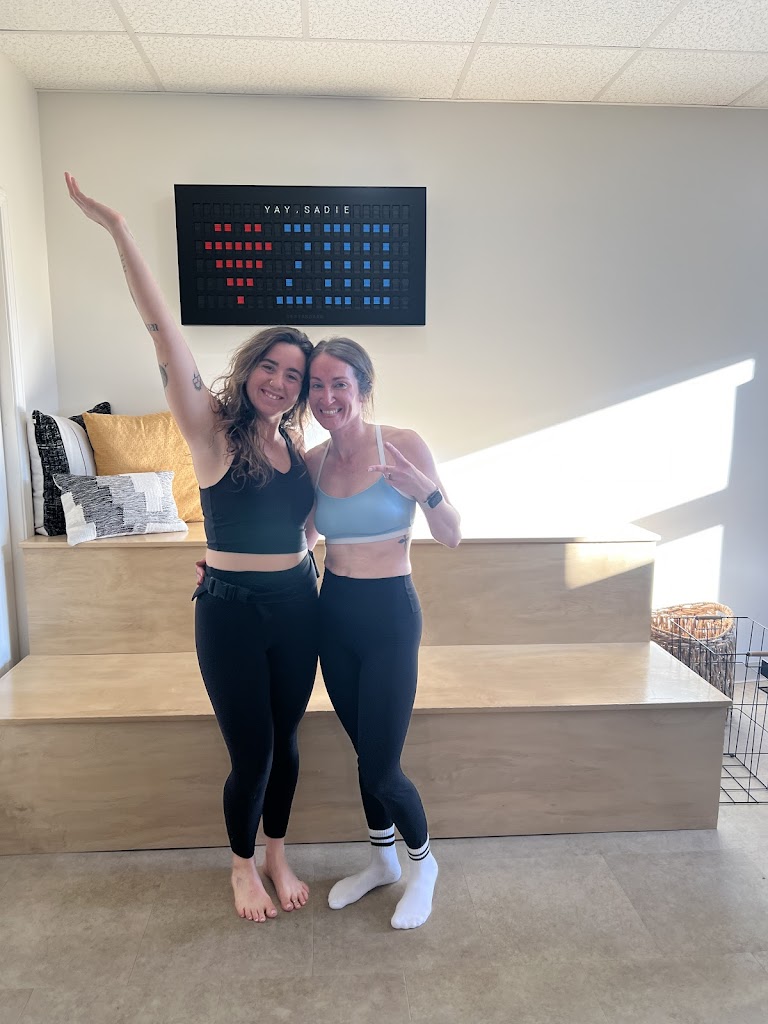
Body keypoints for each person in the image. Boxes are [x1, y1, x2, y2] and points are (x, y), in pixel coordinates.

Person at [65, 173, 319, 924]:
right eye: (270, 366)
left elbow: (309, 526)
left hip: (298, 603)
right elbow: (162, 333)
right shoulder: (212, 429)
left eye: (294, 375)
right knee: (253, 752)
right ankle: (241, 867)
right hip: (232, 611)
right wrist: (119, 229)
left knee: (288, 742)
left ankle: (277, 852)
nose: (279, 381)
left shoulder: (296, 450)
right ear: (250, 368)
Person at [304, 338, 461, 930]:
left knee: (381, 766)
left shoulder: (401, 445)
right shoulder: (313, 462)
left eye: (339, 384)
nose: (327, 397)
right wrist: (228, 561)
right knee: (364, 753)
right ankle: (382, 861)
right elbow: (302, 539)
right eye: (316, 385)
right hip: (333, 613)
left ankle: (424, 866)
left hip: (390, 615)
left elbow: (451, 534)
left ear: (363, 389)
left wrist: (427, 492)